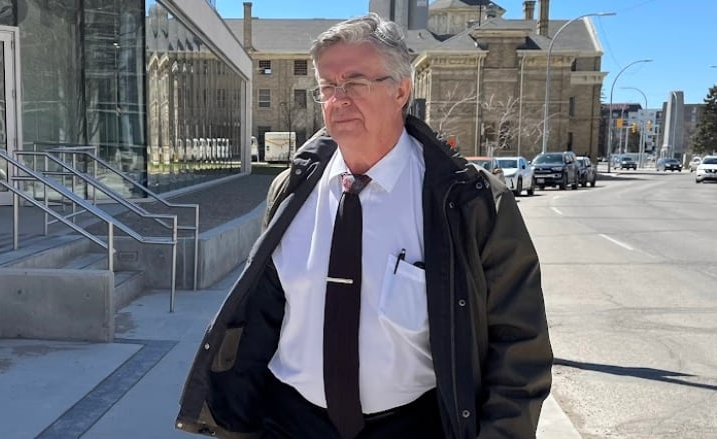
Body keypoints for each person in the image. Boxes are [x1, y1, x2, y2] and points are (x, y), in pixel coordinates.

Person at [176, 13, 552, 439]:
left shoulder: (471, 202)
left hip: (411, 426)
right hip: (287, 421)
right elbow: (264, 316)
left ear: (401, 90)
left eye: (354, 83)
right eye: (327, 87)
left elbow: (520, 347)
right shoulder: (290, 190)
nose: (338, 99)